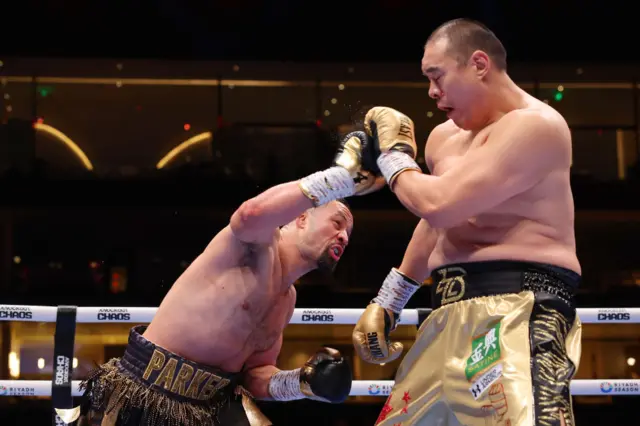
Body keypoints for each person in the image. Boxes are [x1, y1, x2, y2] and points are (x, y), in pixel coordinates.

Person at [352, 18, 582, 426]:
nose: (431, 92)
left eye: (436, 76)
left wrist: (392, 156)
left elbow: (441, 205)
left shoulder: (536, 126)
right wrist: (388, 302)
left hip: (518, 308)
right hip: (444, 314)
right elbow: (435, 222)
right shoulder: (443, 138)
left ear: (478, 64)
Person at [72, 130, 384, 426]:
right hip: (144, 391)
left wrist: (301, 382)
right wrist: (340, 178)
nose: (344, 237)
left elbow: (255, 374)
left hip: (206, 408)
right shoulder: (256, 245)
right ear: (301, 218)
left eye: (349, 233)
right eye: (337, 223)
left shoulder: (286, 300)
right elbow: (249, 214)